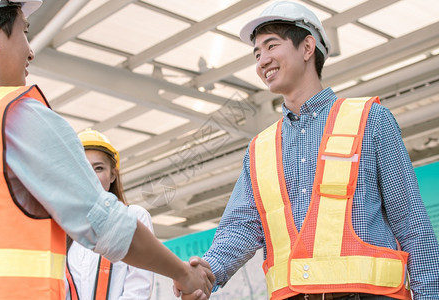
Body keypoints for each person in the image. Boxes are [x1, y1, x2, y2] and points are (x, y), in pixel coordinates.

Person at [179, 1, 439, 300]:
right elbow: (241, 226)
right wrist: (205, 273)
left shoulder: (370, 120)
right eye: (257, 53)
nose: (262, 60)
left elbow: (411, 222)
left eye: (271, 46)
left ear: (307, 48)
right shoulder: (260, 148)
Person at [0, 1, 213, 299]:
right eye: (25, 32)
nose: (30, 50)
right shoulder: (10, 114)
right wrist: (184, 274)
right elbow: (104, 224)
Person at [66, 129, 154, 300]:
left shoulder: (135, 216)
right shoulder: (63, 229)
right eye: (83, 168)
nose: (90, 176)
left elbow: (138, 291)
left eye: (98, 168)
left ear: (113, 175)